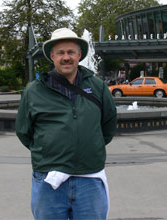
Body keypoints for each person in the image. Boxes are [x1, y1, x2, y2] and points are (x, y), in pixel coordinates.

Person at [16, 27, 117, 220]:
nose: (66, 57)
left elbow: (109, 124)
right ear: (52, 56)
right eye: (60, 53)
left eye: (71, 52)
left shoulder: (97, 87)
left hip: (89, 178)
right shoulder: (34, 91)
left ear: (79, 55)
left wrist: (89, 145)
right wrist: (48, 150)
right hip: (48, 179)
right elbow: (23, 131)